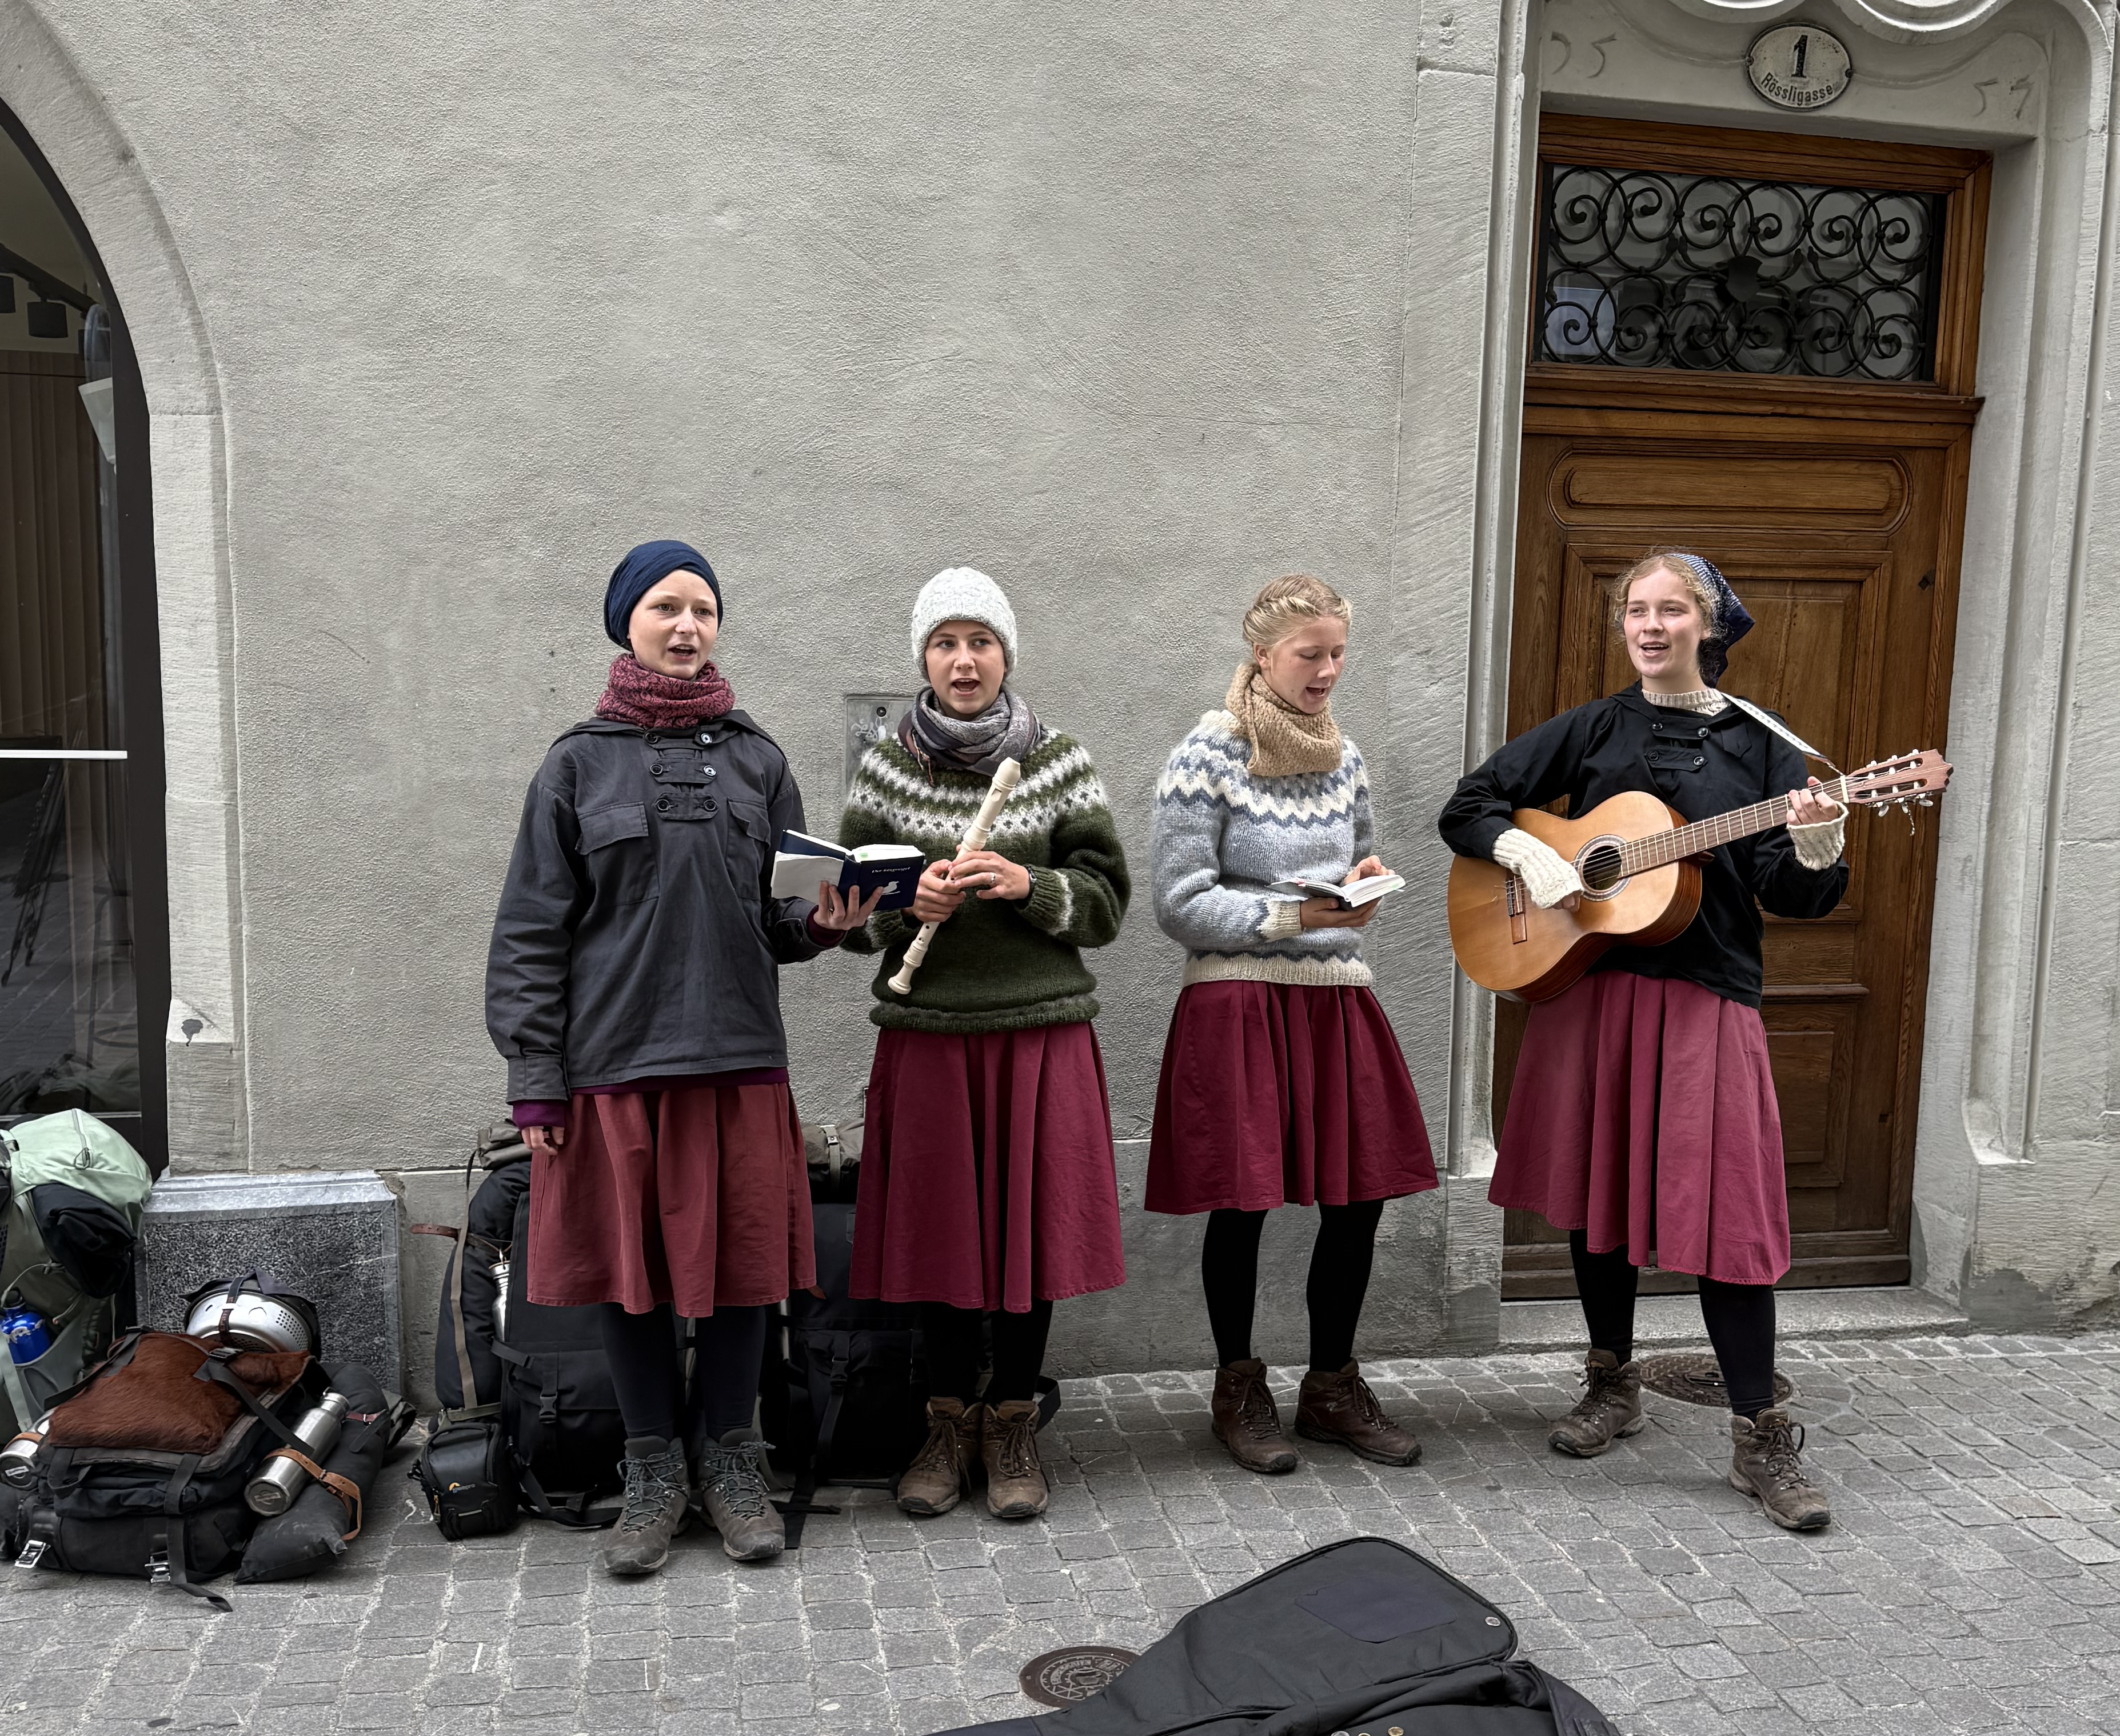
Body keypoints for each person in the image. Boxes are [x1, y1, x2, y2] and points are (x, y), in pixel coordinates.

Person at [1437, 550, 1849, 1533]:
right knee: (1597, 1195)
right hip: (1591, 992)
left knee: (1732, 1221)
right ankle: (1610, 1381)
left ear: (1709, 626)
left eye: (1671, 611)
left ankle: (1761, 1435)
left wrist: (1818, 838)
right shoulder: (1595, 726)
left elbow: (1794, 896)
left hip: (1705, 997)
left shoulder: (1761, 747)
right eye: (1637, 610)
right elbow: (1467, 806)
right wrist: (1531, 852)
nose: (1651, 626)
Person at [486, 541, 867, 1579]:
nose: (688, 625)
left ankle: (731, 1462)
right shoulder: (574, 764)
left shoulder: (758, 758)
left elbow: (782, 919)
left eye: (703, 608)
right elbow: (529, 932)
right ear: (628, 623)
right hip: (613, 1067)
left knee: (747, 1274)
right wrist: (536, 1079)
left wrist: (826, 924)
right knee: (633, 1280)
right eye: (666, 607)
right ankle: (654, 1472)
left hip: (742, 1059)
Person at [841, 569, 1129, 1523]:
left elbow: (1107, 904)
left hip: (1037, 1033)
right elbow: (840, 916)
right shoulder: (884, 768)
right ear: (922, 658)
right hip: (927, 1035)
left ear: (1007, 653)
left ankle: (1013, 1422)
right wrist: (899, 906)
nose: (964, 661)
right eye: (945, 644)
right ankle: (946, 1421)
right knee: (942, 1238)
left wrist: (1031, 886)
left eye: (981, 643)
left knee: (1028, 1238)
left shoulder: (1059, 762)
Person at [1145, 573, 1439, 1470]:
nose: (1327, 671)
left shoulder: (1343, 755)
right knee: (1243, 1202)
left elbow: (1355, 860)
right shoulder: (1208, 753)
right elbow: (1178, 901)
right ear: (1263, 654)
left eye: (1338, 653)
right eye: (1311, 654)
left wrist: (1361, 890)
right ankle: (1238, 1388)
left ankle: (1331, 1387)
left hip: (1334, 997)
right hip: (1238, 997)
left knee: (1360, 1197)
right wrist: (1293, 916)